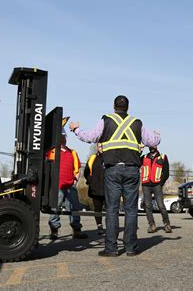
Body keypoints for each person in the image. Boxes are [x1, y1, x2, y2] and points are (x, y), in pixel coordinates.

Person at [69, 95, 160, 257]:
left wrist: (76, 129)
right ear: (128, 107)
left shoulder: (106, 120)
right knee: (131, 210)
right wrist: (157, 136)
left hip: (112, 170)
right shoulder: (137, 123)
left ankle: (111, 248)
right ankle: (131, 248)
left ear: (114, 106)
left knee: (112, 210)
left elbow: (90, 137)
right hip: (132, 169)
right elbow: (152, 141)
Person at [46, 133, 88, 240]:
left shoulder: (73, 153)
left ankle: (77, 230)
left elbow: (77, 169)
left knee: (75, 208)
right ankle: (54, 231)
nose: (63, 139)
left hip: (70, 186)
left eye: (64, 137)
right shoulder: (51, 152)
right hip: (57, 187)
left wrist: (75, 181)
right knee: (55, 208)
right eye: (60, 137)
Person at [141, 146, 172, 234]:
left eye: (154, 145)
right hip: (146, 185)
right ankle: (152, 225)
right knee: (147, 206)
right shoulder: (144, 157)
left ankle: (167, 224)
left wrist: (160, 183)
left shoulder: (163, 157)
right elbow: (135, 162)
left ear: (157, 146)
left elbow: (166, 172)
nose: (152, 147)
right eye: (150, 145)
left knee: (161, 206)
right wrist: (140, 151)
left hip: (157, 185)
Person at [84, 143, 106, 235]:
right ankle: (99, 226)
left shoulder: (110, 158)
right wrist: (90, 181)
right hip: (95, 189)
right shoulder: (92, 158)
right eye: (100, 146)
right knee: (97, 209)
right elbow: (86, 172)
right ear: (97, 147)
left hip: (108, 189)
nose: (101, 148)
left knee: (110, 209)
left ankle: (110, 226)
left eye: (103, 146)